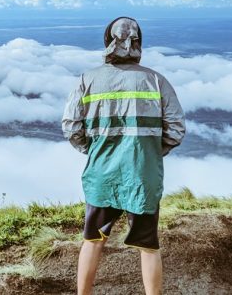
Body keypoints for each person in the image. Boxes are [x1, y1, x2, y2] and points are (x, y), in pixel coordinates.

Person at [62, 16, 186, 295]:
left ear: (106, 41)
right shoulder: (156, 80)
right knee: (148, 246)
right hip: (143, 175)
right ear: (139, 43)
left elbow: (71, 127)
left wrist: (93, 151)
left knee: (92, 240)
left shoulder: (87, 80)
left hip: (102, 175)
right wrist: (152, 153)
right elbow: (176, 129)